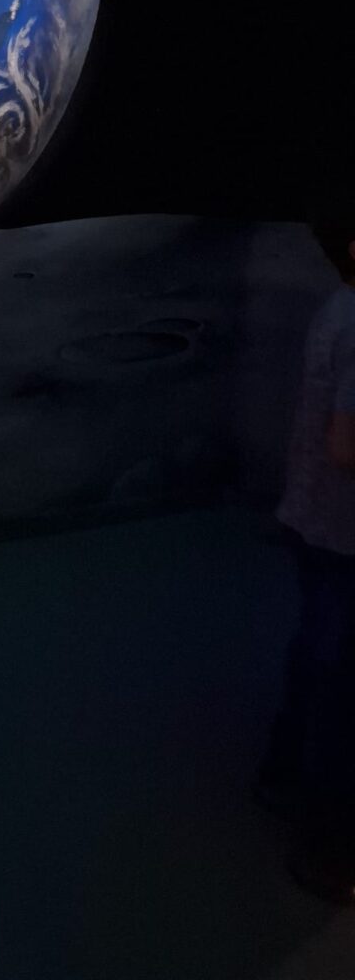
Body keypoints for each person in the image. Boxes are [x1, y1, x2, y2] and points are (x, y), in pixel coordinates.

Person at [258, 209, 355, 906]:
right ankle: (329, 850)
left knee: (320, 661)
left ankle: (281, 777)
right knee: (342, 691)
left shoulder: (339, 307)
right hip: (345, 534)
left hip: (319, 522)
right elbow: (347, 447)